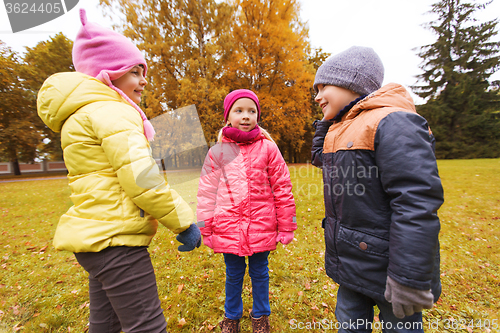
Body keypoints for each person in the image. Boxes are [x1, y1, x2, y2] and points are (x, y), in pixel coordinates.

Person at [37, 9, 201, 333]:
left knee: (105, 326)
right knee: (148, 327)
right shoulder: (114, 112)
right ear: (109, 72)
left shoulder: (81, 114)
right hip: (118, 243)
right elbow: (142, 180)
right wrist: (184, 222)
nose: (143, 80)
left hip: (95, 242)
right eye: (136, 71)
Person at [311, 46, 444, 332]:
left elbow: (415, 201)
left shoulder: (392, 121)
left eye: (324, 87)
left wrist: (407, 277)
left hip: (391, 275)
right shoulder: (345, 127)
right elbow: (319, 158)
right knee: (349, 326)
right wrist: (328, 124)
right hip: (352, 265)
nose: (317, 96)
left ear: (351, 82)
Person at [196, 89, 297, 333]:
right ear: (227, 117)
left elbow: (282, 188)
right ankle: (232, 316)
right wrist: (205, 227)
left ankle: (260, 315)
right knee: (233, 274)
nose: (245, 116)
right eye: (239, 111)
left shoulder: (268, 149)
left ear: (257, 116)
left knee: (260, 273)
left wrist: (287, 225)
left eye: (251, 111)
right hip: (228, 227)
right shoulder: (217, 152)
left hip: (261, 227)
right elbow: (206, 193)